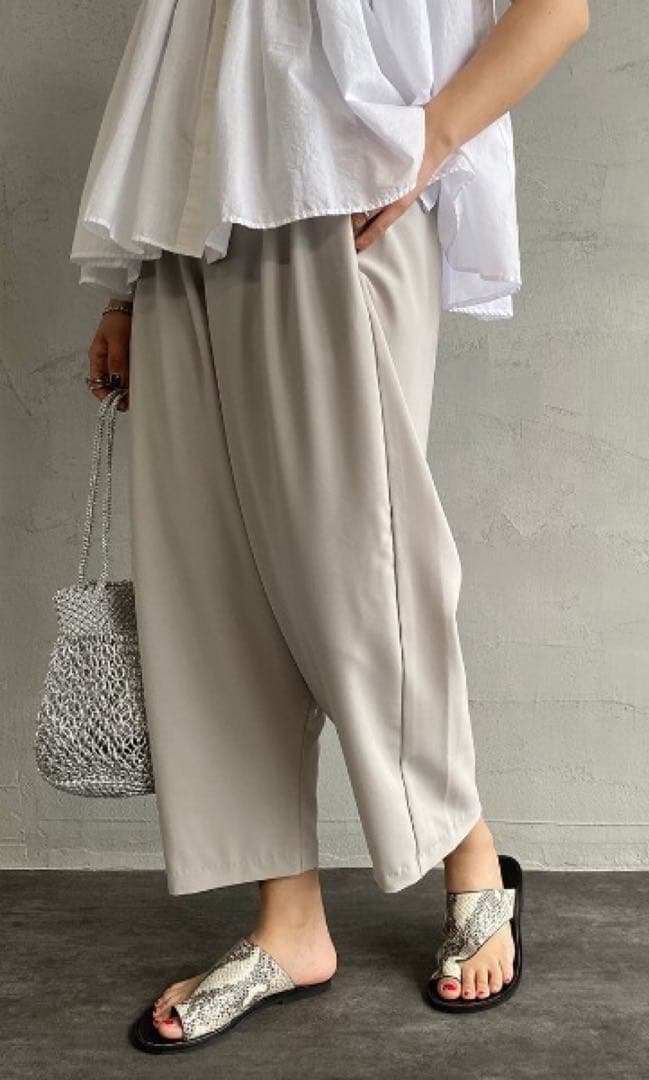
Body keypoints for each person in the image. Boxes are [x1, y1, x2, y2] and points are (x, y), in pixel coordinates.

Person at [71, 0, 590, 1051]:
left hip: (342, 203)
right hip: (190, 224)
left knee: (362, 572)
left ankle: (469, 855)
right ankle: (289, 921)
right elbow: (181, 49)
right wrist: (127, 284)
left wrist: (429, 142)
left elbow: (558, 10)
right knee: (213, 585)